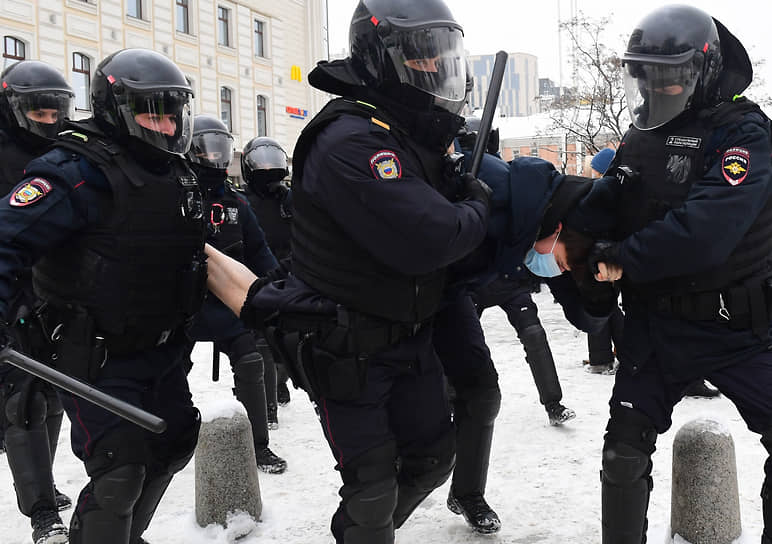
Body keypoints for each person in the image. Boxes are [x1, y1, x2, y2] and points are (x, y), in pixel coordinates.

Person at [204, 1, 491, 542]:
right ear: (384, 57)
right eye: (422, 56)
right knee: (372, 489)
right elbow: (434, 238)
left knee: (432, 459)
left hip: (410, 337)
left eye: (441, 55)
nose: (435, 68)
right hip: (347, 345)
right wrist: (478, 205)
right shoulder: (351, 138)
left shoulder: (406, 134)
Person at [577, 7, 772, 543]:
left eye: (671, 75)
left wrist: (624, 255)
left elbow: (707, 229)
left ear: (703, 70)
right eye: (648, 75)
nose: (659, 86)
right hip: (655, 327)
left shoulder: (744, 135)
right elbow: (612, 194)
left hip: (737, 327)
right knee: (622, 452)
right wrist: (570, 231)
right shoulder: (643, 131)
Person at [0, 48, 207, 544]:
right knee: (121, 468)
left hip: (162, 348)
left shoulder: (175, 172)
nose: (163, 123)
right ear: (117, 109)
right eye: (148, 110)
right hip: (92, 351)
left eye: (170, 110)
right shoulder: (74, 169)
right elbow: (6, 238)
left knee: (173, 444)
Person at [185, 114, 287, 473]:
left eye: (220, 150)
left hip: (229, 304)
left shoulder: (237, 204)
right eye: (206, 150)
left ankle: (259, 446)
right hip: (182, 307)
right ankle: (173, 440)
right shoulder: (174, 195)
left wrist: (278, 287)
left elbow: (260, 251)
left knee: (250, 361)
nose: (214, 158)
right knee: (167, 371)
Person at [456, 124, 576, 427]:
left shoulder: (500, 176)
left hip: (510, 281)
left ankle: (553, 403)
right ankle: (450, 403)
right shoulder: (470, 173)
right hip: (475, 285)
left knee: (534, 334)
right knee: (462, 342)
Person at [0, 59, 74, 544]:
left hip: (53, 293)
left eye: (55, 113)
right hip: (9, 294)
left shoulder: (66, 157)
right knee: (22, 401)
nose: (48, 121)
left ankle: (43, 481)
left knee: (51, 397)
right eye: (38, 113)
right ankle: (41, 512)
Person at [241, 136, 294, 414]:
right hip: (256, 276)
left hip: (289, 273)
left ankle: (280, 381)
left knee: (286, 337)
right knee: (258, 341)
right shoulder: (243, 202)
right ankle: (263, 398)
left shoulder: (290, 199)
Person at [583, 147, 623, 375]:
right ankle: (613, 355)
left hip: (602, 258)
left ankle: (601, 358)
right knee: (611, 308)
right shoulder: (618, 189)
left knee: (601, 306)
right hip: (610, 256)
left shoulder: (601, 191)